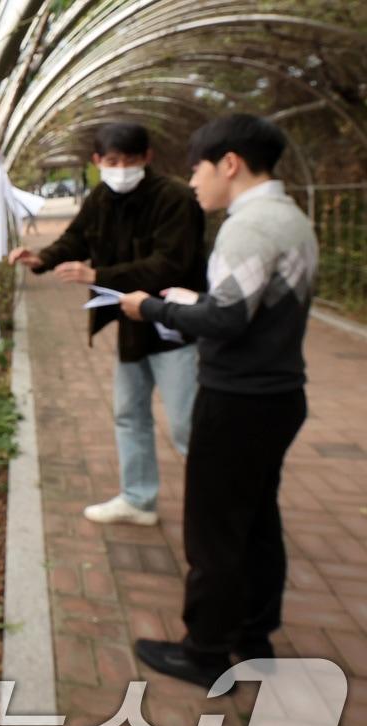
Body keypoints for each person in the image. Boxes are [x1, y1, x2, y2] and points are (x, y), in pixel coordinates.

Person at [120, 114, 316, 687]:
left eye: (197, 168)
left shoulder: (247, 226)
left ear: (229, 163)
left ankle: (204, 652)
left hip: (237, 400)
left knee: (213, 531)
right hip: (278, 394)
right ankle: (253, 637)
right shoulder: (292, 219)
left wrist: (152, 308)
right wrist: (197, 299)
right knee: (255, 521)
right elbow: (249, 304)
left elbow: (227, 319)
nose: (194, 181)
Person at [8, 122, 206, 526]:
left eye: (130, 160)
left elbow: (170, 265)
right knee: (129, 413)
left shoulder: (175, 199)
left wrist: (99, 276)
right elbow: (78, 239)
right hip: (133, 326)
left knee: (189, 424)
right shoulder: (102, 197)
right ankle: (138, 499)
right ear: (97, 162)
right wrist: (42, 259)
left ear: (147, 158)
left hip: (176, 328)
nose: (121, 169)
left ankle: (218, 506)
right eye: (112, 161)